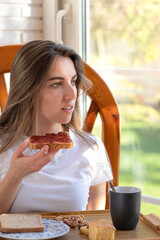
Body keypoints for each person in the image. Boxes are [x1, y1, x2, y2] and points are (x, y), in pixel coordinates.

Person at [0, 40, 113, 213]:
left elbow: (93, 224)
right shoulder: (2, 145)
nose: (72, 94)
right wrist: (15, 175)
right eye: (56, 84)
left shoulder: (90, 148)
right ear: (28, 91)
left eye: (73, 81)